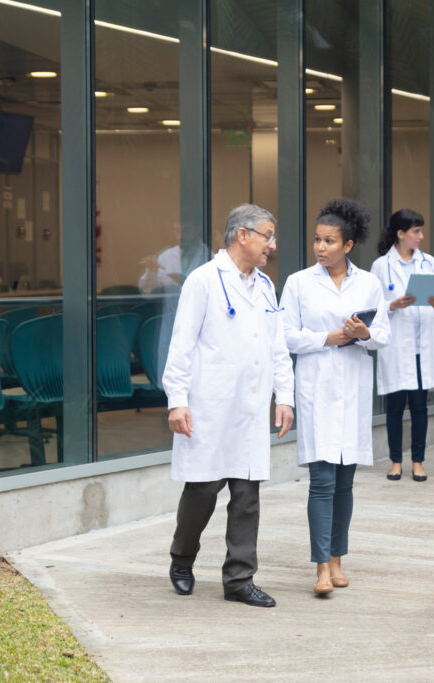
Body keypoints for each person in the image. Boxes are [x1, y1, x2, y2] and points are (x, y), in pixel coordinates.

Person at [161, 203, 294, 608]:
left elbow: (278, 346)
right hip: (210, 405)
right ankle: (182, 560)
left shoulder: (266, 286)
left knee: (247, 494)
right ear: (242, 235)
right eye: (267, 235)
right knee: (201, 490)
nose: (272, 244)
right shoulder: (203, 281)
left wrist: (284, 396)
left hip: (251, 408)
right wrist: (177, 401)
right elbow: (181, 344)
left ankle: (239, 578)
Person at [279, 198, 390, 595]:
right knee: (322, 482)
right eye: (316, 240)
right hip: (316, 388)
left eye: (329, 241)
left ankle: (339, 561)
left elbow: (384, 336)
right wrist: (330, 337)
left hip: (353, 388)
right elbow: (287, 336)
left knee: (345, 484)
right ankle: (321, 567)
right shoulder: (298, 282)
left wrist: (363, 334)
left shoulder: (369, 283)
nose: (320, 247)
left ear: (348, 245)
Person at [370, 209, 434, 482]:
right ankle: (395, 461)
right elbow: (373, 306)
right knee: (394, 406)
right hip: (396, 344)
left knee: (419, 407)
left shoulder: (429, 263)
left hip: (421, 344)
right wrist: (393, 304)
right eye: (416, 232)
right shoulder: (381, 266)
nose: (421, 237)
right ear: (401, 234)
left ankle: (418, 461)